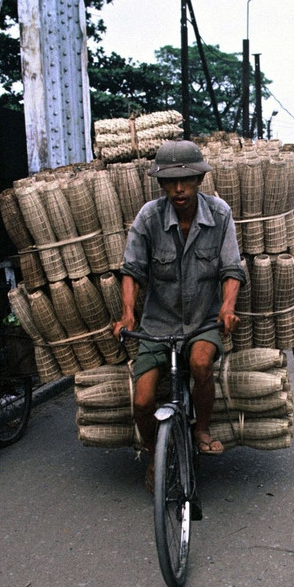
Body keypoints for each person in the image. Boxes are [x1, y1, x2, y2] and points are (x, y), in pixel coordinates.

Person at [113, 140, 244, 489]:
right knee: (142, 401)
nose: (179, 188)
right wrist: (127, 314)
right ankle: (154, 452)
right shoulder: (149, 217)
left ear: (200, 179)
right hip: (158, 323)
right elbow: (133, 270)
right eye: (170, 181)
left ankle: (201, 428)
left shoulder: (219, 214)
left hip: (203, 320)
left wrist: (227, 307)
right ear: (161, 184)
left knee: (201, 364)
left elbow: (231, 268)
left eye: (186, 180)